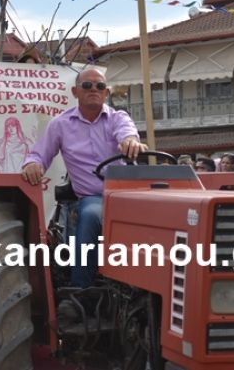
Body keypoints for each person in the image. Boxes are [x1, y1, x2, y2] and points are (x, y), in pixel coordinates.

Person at [21, 68, 147, 287]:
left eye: (99, 86)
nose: (94, 90)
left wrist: (130, 142)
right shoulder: (59, 124)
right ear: (75, 91)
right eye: (87, 85)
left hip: (128, 195)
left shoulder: (118, 118)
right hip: (93, 196)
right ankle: (80, 288)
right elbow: (38, 154)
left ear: (106, 93)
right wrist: (32, 164)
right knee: (90, 214)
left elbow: (127, 133)